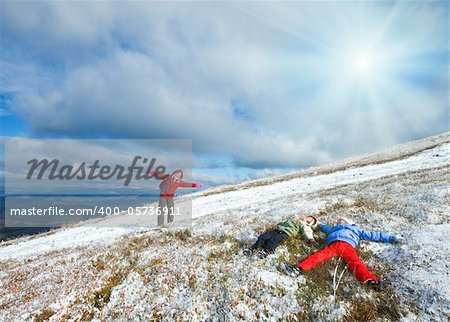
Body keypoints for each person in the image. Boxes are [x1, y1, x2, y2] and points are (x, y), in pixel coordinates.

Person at [279, 217, 403, 290]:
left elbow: (374, 235)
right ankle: (298, 268)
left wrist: (392, 238)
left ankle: (371, 280)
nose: (338, 221)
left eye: (341, 220)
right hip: (333, 246)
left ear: (349, 223)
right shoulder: (334, 229)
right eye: (338, 221)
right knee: (317, 256)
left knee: (355, 263)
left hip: (347, 245)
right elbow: (325, 228)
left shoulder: (355, 229)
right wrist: (319, 224)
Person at [245, 215, 319, 258]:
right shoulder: (294, 219)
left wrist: (310, 239)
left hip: (286, 232)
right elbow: (283, 222)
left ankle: (267, 251)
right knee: (263, 237)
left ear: (310, 223)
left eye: (311, 219)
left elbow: (307, 231)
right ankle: (252, 249)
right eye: (309, 217)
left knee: (274, 240)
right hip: (277, 230)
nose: (309, 218)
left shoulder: (304, 224)